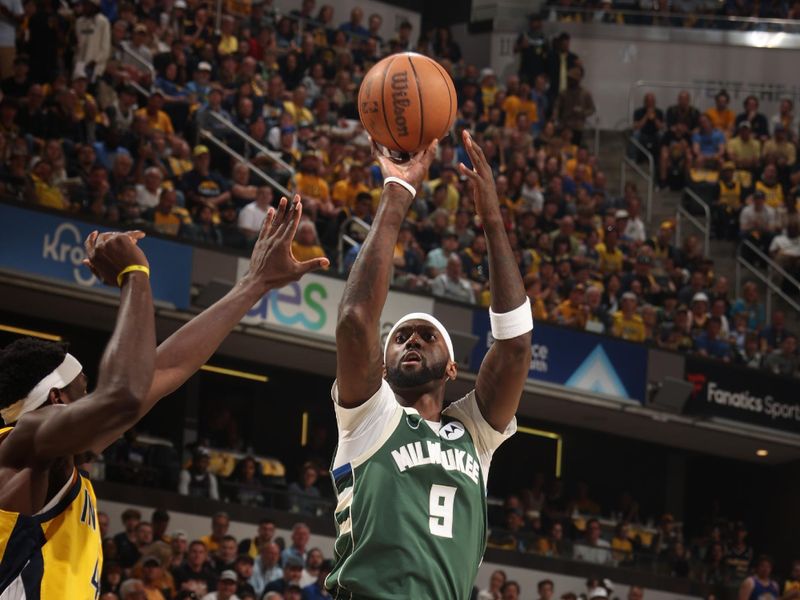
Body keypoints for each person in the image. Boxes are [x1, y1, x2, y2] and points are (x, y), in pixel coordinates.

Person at [0, 198, 327, 597]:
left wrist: (255, 283)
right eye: (84, 388)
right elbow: (124, 393)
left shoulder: (51, 459)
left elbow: (164, 372)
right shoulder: (25, 442)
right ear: (55, 398)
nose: (94, 394)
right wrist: (134, 275)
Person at [328, 130, 532, 598]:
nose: (413, 339)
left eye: (427, 335)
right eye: (400, 337)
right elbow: (356, 321)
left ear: (452, 369)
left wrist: (493, 222)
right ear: (383, 365)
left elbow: (516, 346)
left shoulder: (474, 435)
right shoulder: (369, 416)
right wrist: (399, 190)